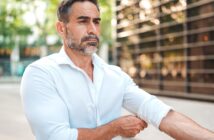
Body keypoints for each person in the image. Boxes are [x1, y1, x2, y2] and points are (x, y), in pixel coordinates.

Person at [20, 0, 214, 140]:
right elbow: (56, 137)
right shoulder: (41, 73)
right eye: (83, 21)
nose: (92, 30)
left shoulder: (114, 75)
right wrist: (114, 128)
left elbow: (159, 113)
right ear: (61, 28)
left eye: (96, 21)